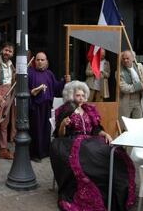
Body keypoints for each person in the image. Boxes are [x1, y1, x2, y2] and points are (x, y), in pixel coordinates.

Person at [50, 81, 136, 211]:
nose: (81, 98)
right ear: (71, 96)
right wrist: (63, 124)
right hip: (73, 142)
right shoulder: (66, 110)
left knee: (113, 153)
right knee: (93, 157)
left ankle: (114, 188)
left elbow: (95, 129)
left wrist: (105, 134)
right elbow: (60, 135)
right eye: (78, 95)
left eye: (83, 95)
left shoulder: (89, 109)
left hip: (92, 140)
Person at [28, 52, 68, 162]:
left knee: (46, 129)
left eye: (42, 60)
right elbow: (25, 90)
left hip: (47, 106)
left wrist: (64, 81)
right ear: (34, 61)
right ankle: (35, 154)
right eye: (38, 60)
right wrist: (34, 91)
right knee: (36, 130)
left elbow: (56, 88)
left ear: (46, 62)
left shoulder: (49, 74)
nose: (40, 62)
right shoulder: (30, 73)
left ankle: (45, 152)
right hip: (35, 107)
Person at [119, 50, 143, 128]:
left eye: (127, 58)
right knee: (124, 124)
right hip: (126, 99)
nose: (125, 60)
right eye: (123, 59)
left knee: (138, 123)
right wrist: (140, 85)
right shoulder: (119, 71)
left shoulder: (139, 67)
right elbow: (124, 88)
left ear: (133, 58)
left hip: (138, 99)